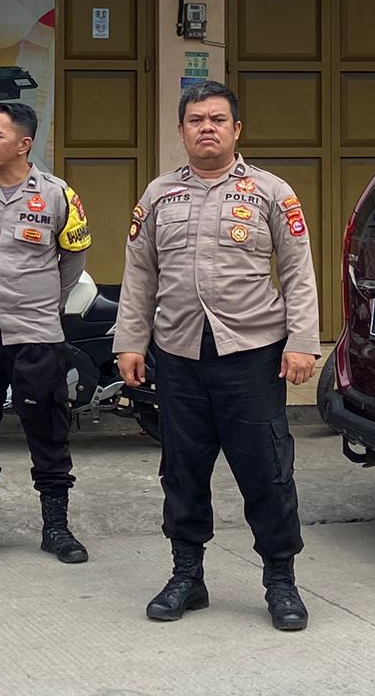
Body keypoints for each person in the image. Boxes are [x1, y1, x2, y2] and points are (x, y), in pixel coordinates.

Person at [115, 80, 322, 631]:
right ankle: (187, 575)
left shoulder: (271, 192)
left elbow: (299, 272)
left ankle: (281, 581)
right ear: (182, 130)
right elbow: (139, 274)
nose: (206, 128)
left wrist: (302, 341)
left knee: (267, 471)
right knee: (182, 469)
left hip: (251, 354)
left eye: (217, 119)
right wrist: (130, 341)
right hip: (178, 354)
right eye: (196, 120)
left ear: (236, 130)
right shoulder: (158, 195)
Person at [0, 101, 92, 566]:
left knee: (49, 431)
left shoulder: (57, 195)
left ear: (24, 144)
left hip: (37, 334)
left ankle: (56, 528)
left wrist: (41, 302)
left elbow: (73, 258)